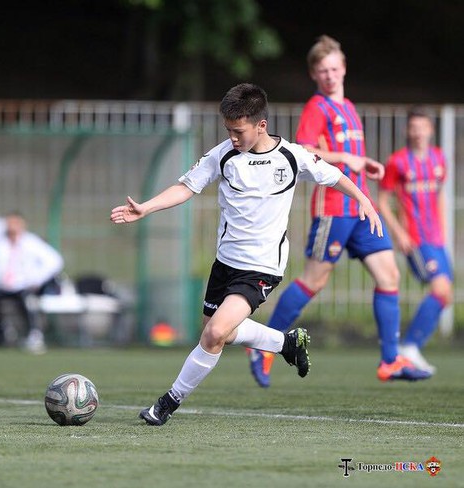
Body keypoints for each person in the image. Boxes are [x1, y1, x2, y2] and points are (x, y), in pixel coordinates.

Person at [111, 82, 384, 426]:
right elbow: (186, 187)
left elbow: (334, 177)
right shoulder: (223, 155)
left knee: (214, 334)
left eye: (238, 131)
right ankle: (286, 344)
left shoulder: (292, 156)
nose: (233, 138)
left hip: (262, 267)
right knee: (219, 331)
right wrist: (146, 208)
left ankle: (166, 403)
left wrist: (363, 199)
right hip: (225, 263)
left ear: (261, 125)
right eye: (228, 130)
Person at [249, 35, 432, 387]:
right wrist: (347, 157)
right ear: (314, 75)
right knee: (314, 280)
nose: (330, 75)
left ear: (344, 68)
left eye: (334, 69)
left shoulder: (347, 106)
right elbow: (304, 149)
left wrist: (362, 163)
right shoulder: (317, 108)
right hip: (332, 208)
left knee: (389, 276)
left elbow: (347, 157)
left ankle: (390, 361)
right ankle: (264, 346)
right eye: (323, 71)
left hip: (361, 207)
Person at [378, 107, 453, 374]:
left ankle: (412, 347)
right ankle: (409, 346)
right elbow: (382, 201)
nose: (418, 132)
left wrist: (444, 232)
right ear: (407, 131)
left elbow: (440, 195)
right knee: (440, 289)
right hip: (416, 239)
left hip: (436, 239)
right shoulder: (398, 162)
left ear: (430, 130)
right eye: (413, 128)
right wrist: (399, 232)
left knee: (446, 294)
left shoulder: (438, 158)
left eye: (422, 127)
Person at [0, 212, 64, 353]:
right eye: (10, 223)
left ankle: (34, 335)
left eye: (16, 223)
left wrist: (36, 279)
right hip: (2, 286)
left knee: (26, 304)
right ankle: (1, 334)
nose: (12, 227)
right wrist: (1, 222)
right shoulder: (0, 241)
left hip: (22, 286)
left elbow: (55, 261)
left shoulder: (31, 242)